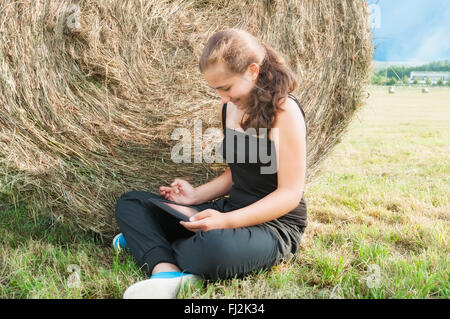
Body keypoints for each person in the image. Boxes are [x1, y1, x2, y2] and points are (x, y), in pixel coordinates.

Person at [114, 28, 308, 299]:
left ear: (253, 71)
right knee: (131, 204)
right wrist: (195, 195)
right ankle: (166, 270)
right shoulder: (228, 108)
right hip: (228, 210)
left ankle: (151, 244)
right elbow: (238, 172)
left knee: (214, 249)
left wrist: (226, 222)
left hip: (273, 226)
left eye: (227, 88)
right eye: (217, 90)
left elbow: (289, 194)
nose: (223, 98)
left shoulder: (284, 111)